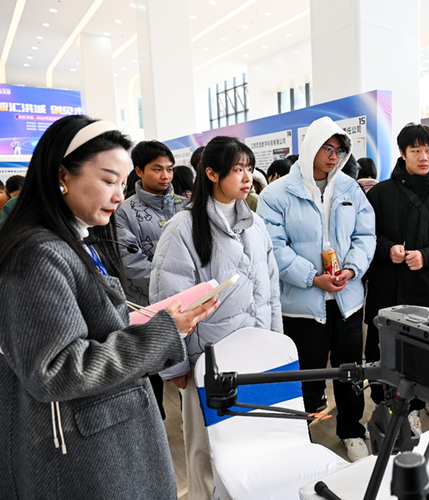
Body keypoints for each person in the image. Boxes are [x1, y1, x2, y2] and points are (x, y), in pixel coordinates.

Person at [0, 115, 218, 499]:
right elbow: (56, 369)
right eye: (107, 180)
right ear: (62, 175)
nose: (119, 195)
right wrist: (163, 332)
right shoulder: (39, 253)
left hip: (99, 435)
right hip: (80, 451)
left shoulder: (72, 240)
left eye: (122, 183)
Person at [150, 135, 282, 499]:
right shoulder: (183, 228)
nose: (246, 177)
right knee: (207, 448)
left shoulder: (255, 224)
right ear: (211, 173)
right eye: (237, 169)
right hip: (208, 359)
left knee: (252, 436)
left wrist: (277, 342)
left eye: (249, 169)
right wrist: (176, 366)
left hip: (257, 352)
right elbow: (168, 300)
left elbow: (270, 289)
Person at [258, 116, 375, 462]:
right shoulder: (276, 194)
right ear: (311, 146)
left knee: (350, 369)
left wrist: (352, 269)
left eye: (338, 150)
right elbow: (274, 247)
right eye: (327, 148)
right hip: (302, 303)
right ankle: (302, 436)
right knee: (307, 374)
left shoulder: (350, 189)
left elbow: (365, 236)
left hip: (346, 300)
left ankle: (352, 430)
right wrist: (312, 277)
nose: (333, 156)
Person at [365, 123, 429, 427]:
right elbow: (366, 236)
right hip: (387, 290)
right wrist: (387, 249)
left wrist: (427, 256)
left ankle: (412, 412)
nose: (424, 157)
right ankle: (382, 408)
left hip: (426, 292)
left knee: (422, 354)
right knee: (382, 351)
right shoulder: (381, 194)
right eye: (416, 150)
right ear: (402, 153)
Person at [115, 140, 187, 420]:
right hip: (147, 307)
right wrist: (171, 292)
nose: (166, 176)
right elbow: (132, 264)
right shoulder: (124, 213)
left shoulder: (185, 205)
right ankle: (156, 426)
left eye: (169, 169)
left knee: (191, 370)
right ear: (139, 171)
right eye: (157, 169)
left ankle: (192, 422)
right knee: (152, 373)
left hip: (189, 304)